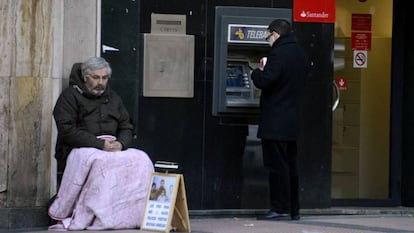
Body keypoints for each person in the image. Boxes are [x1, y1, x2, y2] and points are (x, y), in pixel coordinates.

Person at [48, 57, 154, 231]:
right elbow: (67, 130)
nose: (100, 83)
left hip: (112, 146)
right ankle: (94, 214)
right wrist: (99, 144)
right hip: (80, 148)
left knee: (142, 159)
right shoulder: (69, 97)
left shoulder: (113, 98)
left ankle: (134, 214)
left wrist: (121, 143)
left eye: (104, 78)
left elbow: (126, 125)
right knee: (101, 163)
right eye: (96, 78)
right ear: (85, 77)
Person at [250, 19, 310, 221]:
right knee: (291, 166)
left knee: (277, 167)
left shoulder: (278, 53)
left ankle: (279, 207)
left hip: (275, 121)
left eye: (268, 37)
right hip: (292, 121)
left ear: (275, 34)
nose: (268, 41)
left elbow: (267, 81)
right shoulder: (300, 54)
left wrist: (255, 73)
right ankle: (294, 209)